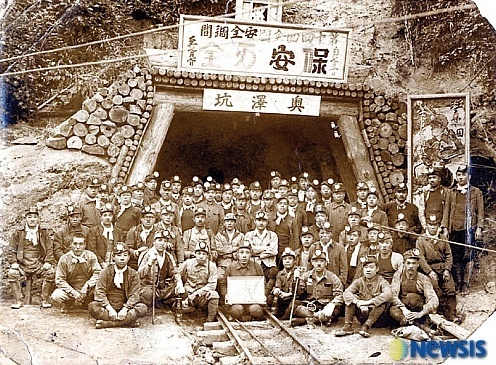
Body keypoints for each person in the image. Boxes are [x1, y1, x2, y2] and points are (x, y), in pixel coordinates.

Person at [442, 164, 485, 295]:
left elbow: (481, 211)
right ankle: (458, 283)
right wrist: (444, 227)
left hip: (469, 230)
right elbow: (446, 211)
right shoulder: (451, 192)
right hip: (454, 229)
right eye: (459, 175)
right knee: (455, 257)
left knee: (468, 256)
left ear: (469, 176)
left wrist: (479, 228)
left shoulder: (476, 192)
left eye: (463, 174)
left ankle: (465, 284)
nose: (461, 177)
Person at [88, 242, 148, 328]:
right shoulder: (105, 272)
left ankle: (108, 323)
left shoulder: (133, 274)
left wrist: (125, 310)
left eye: (125, 255)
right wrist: (110, 309)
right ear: (113, 257)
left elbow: (134, 295)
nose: (122, 258)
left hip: (125, 306)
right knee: (92, 307)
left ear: (129, 257)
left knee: (142, 308)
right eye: (119, 255)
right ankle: (128, 322)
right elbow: (99, 292)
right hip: (108, 307)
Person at [6, 206, 55, 309]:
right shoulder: (18, 233)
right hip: (22, 264)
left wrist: (48, 261)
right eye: (29, 217)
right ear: (25, 219)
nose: (32, 219)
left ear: (38, 218)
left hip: (38, 264)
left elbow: (50, 248)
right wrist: (14, 262)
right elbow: (11, 249)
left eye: (34, 217)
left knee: (50, 272)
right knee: (12, 273)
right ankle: (18, 300)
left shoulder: (44, 232)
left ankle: (44, 299)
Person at [336, 255, 392, 338]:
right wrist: (358, 302)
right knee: (351, 297)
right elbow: (346, 293)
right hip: (363, 314)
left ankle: (366, 327)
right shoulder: (359, 281)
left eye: (371, 267)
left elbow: (388, 294)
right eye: (365, 267)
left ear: (377, 269)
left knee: (381, 302)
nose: (368, 270)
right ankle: (347, 326)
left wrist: (368, 303)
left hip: (378, 319)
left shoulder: (382, 282)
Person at [416, 214, 457, 321]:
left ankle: (452, 314)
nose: (433, 227)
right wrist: (429, 272)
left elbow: (449, 255)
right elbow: (420, 258)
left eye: (435, 225)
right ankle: (439, 313)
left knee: (450, 288)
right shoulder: (421, 240)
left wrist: (447, 270)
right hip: (429, 269)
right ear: (427, 226)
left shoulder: (443, 238)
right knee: (435, 289)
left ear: (438, 226)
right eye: (430, 225)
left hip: (442, 268)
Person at [292, 249, 344, 327]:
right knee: (296, 306)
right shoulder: (306, 275)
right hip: (310, 305)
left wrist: (331, 305)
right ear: (312, 262)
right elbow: (298, 292)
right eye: (316, 261)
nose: (318, 264)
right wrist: (295, 279)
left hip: (325, 306)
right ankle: (320, 318)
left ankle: (306, 320)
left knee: (336, 311)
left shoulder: (332, 277)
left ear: (326, 263)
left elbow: (339, 295)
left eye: (321, 261)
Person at [51, 233, 102, 311]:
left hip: (88, 290)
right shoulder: (64, 259)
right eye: (75, 244)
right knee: (56, 295)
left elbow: (98, 273)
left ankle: (87, 302)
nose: (78, 247)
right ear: (71, 245)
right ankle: (69, 303)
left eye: (81, 244)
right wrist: (73, 292)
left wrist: (87, 286)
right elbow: (60, 280)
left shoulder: (91, 256)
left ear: (85, 245)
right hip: (71, 289)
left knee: (101, 290)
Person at [389, 249, 439, 327]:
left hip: (417, 308)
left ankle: (413, 322)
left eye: (414, 263)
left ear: (418, 265)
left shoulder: (423, 278)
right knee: (393, 310)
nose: (411, 266)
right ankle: (410, 322)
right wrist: (404, 309)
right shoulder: (398, 276)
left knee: (412, 298)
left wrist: (421, 313)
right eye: (408, 263)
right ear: (404, 264)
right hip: (403, 309)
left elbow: (434, 300)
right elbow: (393, 294)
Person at [138, 230, 185, 308]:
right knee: (147, 294)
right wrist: (149, 263)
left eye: (165, 241)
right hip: (148, 286)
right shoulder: (146, 255)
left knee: (183, 292)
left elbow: (175, 272)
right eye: (159, 240)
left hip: (163, 287)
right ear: (154, 242)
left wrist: (179, 284)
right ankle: (160, 301)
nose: (162, 243)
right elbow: (139, 274)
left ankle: (163, 301)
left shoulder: (168, 256)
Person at [177, 241, 219, 322]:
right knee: (183, 305)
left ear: (207, 255)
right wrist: (180, 285)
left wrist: (196, 294)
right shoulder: (188, 263)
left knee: (214, 295)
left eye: (204, 254)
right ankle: (186, 315)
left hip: (202, 296)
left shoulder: (212, 266)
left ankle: (209, 321)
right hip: (188, 295)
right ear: (195, 254)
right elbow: (177, 274)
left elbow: (212, 285)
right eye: (199, 253)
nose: (201, 256)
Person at [224, 241, 265, 321]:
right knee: (236, 311)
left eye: (247, 252)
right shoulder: (231, 267)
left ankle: (252, 318)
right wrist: (226, 294)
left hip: (252, 301)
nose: (244, 256)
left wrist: (263, 295)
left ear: (250, 254)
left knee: (256, 310)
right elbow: (223, 284)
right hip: (236, 301)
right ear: (237, 254)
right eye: (241, 252)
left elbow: (263, 283)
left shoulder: (256, 266)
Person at [244, 211, 279, 296]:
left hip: (269, 264)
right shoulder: (249, 235)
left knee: (274, 272)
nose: (261, 223)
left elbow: (274, 251)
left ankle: (265, 296)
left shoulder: (272, 235)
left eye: (264, 220)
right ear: (255, 221)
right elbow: (249, 250)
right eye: (259, 220)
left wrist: (259, 254)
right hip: (254, 263)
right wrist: (266, 247)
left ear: (267, 222)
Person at [214, 213, 245, 302]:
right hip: (223, 264)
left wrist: (227, 252)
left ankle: (237, 299)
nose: (229, 223)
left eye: (231, 221)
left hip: (236, 263)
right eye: (227, 221)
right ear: (224, 223)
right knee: (219, 278)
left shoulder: (241, 235)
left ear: (235, 223)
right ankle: (224, 299)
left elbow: (242, 250)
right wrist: (234, 250)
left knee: (238, 279)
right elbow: (219, 250)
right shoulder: (219, 235)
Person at [308, 222, 348, 286]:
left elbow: (343, 268)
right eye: (322, 233)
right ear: (318, 234)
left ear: (331, 234)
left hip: (334, 282)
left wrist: (340, 283)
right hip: (317, 282)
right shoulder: (313, 247)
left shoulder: (339, 248)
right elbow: (309, 266)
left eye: (327, 233)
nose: (324, 235)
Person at [87, 202, 124, 269]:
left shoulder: (118, 231)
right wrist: (101, 263)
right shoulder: (93, 231)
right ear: (101, 217)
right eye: (105, 215)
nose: (107, 218)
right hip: (97, 262)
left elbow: (121, 248)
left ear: (113, 217)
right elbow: (92, 249)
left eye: (110, 215)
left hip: (115, 262)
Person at [268, 196, 300, 264]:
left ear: (288, 206)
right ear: (276, 205)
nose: (282, 206)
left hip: (287, 246)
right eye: (280, 203)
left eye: (285, 204)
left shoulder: (292, 220)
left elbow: (295, 236)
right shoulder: (271, 218)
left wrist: (294, 251)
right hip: (274, 246)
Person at [416, 167, 449, 231]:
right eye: (430, 178)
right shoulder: (425, 192)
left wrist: (443, 226)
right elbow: (421, 210)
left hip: (439, 225)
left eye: (434, 177)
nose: (431, 180)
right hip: (427, 224)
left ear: (439, 179)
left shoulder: (445, 192)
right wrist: (425, 226)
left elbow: (446, 210)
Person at [271, 247, 300, 319]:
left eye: (290, 259)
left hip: (294, 297)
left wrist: (289, 294)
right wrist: (277, 290)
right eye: (285, 259)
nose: (287, 261)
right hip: (283, 297)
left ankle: (283, 318)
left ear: (294, 261)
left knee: (295, 302)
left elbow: (300, 291)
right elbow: (278, 285)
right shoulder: (280, 274)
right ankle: (276, 315)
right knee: (271, 298)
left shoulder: (298, 272)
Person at [126, 206, 157, 270]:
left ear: (154, 219)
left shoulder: (158, 232)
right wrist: (135, 252)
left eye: (151, 217)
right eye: (146, 217)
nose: (148, 220)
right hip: (135, 262)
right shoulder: (133, 231)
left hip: (153, 262)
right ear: (141, 219)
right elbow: (128, 248)